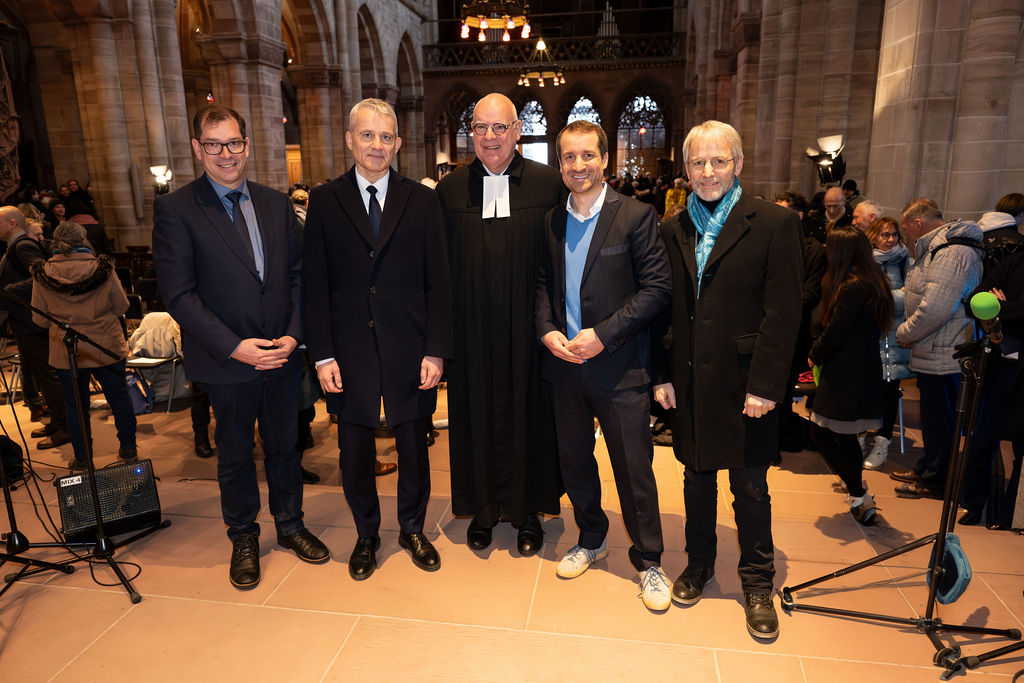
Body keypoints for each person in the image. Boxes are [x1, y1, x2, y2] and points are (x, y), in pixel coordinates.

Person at [152, 104, 329, 590]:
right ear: (197, 149)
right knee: (233, 453)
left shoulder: (274, 204)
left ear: (247, 146)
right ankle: (244, 536)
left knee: (285, 447)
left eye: (234, 143)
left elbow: (299, 275)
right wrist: (235, 347)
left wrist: (295, 335)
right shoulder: (178, 209)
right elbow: (179, 295)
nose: (225, 154)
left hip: (281, 353)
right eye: (214, 145)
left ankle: (291, 525)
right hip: (225, 361)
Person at [653, 120, 802, 639]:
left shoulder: (774, 223)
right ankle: (698, 565)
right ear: (687, 169)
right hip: (690, 379)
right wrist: (660, 374)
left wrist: (765, 386)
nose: (708, 171)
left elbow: (784, 313)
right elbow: (664, 310)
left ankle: (758, 582)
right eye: (699, 162)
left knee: (750, 486)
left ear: (738, 164)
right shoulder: (672, 228)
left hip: (746, 384)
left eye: (719, 161)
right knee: (696, 479)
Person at [303, 98, 453, 580]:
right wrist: (322, 355)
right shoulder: (325, 200)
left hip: (410, 347)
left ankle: (412, 528)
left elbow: (438, 282)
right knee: (354, 452)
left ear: (398, 144)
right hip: (348, 349)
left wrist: (436, 348)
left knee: (414, 445)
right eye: (367, 135)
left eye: (385, 137)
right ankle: (366, 534)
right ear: (349, 140)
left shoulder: (423, 199)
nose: (376, 145)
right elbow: (316, 286)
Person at [535, 121, 672, 610]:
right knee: (575, 461)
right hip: (565, 365)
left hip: (619, 367)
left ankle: (649, 560)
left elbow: (658, 290)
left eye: (587, 156)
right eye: (568, 157)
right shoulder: (551, 220)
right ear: (560, 163)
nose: (578, 166)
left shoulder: (636, 216)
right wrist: (547, 329)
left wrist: (603, 334)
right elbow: (542, 284)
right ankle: (591, 537)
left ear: (605, 159)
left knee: (634, 468)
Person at [436, 93, 564, 555]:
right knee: (476, 417)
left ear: (517, 131)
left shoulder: (550, 185)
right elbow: (438, 271)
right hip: (471, 334)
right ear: (471, 132)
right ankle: (484, 510)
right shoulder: (450, 192)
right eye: (481, 128)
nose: (490, 137)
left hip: (530, 332)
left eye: (500, 128)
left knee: (529, 416)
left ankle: (528, 513)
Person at [890, 199, 984, 499]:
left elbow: (936, 308)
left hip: (946, 350)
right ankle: (928, 467)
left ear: (918, 223)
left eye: (907, 229)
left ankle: (935, 480)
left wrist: (905, 333)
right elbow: (918, 293)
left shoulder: (952, 252)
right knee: (933, 418)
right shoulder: (940, 249)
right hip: (935, 348)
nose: (908, 236)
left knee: (941, 419)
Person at [30, 222, 139, 467]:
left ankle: (83, 457)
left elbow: (38, 318)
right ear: (83, 240)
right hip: (105, 347)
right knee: (119, 399)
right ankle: (129, 450)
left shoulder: (44, 273)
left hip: (67, 351)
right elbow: (122, 306)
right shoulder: (101, 268)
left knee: (76, 406)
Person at [807, 226, 894, 525]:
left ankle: (859, 494)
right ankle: (859, 495)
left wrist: (815, 353)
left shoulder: (853, 286)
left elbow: (837, 331)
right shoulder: (873, 280)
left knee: (823, 433)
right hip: (860, 367)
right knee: (841, 436)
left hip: (846, 370)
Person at [0, 205, 72, 449]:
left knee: (49, 376)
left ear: (12, 223)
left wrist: (10, 290)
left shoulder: (23, 246)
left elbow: (43, 276)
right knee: (42, 376)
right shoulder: (14, 247)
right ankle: (56, 420)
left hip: (34, 322)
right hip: (24, 322)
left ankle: (65, 426)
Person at [862, 216, 913, 469]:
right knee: (864, 388)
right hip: (867, 333)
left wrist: (880, 299)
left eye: (894, 234)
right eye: (885, 234)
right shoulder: (864, 260)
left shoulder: (905, 261)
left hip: (894, 336)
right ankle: (860, 435)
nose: (890, 239)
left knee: (889, 390)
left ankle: (883, 441)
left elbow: (911, 296)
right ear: (874, 236)